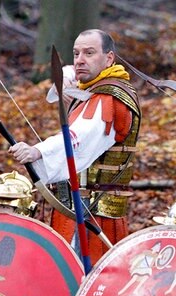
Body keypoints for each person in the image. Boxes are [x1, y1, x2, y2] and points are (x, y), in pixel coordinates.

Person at [9, 29, 141, 263]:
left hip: (92, 213)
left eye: (89, 53)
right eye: (76, 53)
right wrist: (67, 76)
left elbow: (78, 137)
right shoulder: (94, 86)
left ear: (109, 58)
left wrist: (37, 151)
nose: (80, 60)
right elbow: (71, 70)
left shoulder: (108, 98)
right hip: (76, 208)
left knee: (83, 281)